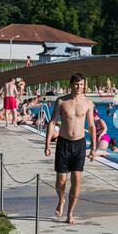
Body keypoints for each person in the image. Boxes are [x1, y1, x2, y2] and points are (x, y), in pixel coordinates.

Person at [44, 73, 97, 225]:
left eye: (81, 84)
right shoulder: (61, 101)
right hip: (63, 143)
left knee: (77, 180)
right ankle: (61, 200)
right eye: (76, 84)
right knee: (61, 181)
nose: (79, 87)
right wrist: (47, 144)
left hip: (79, 144)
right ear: (70, 84)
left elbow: (92, 126)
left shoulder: (88, 102)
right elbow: (52, 122)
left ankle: (70, 213)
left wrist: (93, 148)